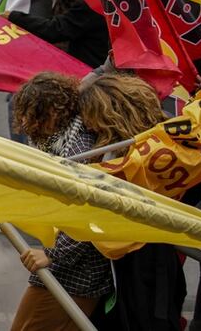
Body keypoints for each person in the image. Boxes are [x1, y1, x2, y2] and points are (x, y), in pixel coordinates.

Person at [78, 74, 187, 331]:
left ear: (110, 113)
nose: (88, 125)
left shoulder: (140, 154)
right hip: (140, 256)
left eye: (91, 115)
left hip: (143, 260)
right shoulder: (148, 144)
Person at [9, 73, 112, 331]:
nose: (25, 122)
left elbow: (90, 211)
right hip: (71, 262)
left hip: (77, 268)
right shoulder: (59, 139)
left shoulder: (79, 151)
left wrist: (52, 255)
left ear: (54, 112)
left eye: (33, 114)